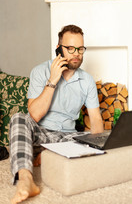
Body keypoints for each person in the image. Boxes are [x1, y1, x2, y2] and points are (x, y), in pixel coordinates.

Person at [10, 24, 104, 204]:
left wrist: (98, 144)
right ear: (58, 49)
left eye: (80, 48)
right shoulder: (39, 72)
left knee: (92, 137)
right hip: (40, 134)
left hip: (68, 137)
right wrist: (52, 80)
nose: (76, 53)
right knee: (18, 118)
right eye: (70, 48)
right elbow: (35, 115)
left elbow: (96, 121)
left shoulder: (87, 80)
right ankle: (26, 179)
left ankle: (50, 153)